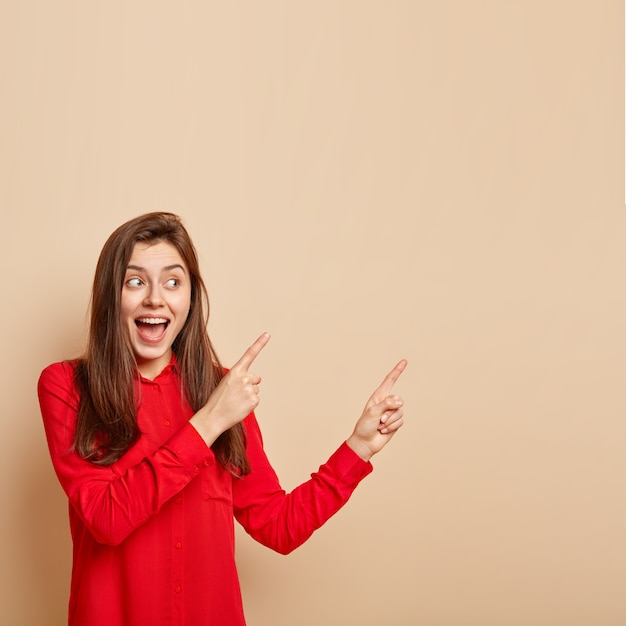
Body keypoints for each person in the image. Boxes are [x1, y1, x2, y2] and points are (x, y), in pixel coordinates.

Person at [38, 212, 407, 626]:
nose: (155, 299)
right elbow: (107, 518)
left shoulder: (221, 391)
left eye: (173, 282)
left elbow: (277, 526)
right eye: (135, 281)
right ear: (112, 296)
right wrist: (209, 422)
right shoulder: (66, 386)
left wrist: (357, 449)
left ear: (191, 298)